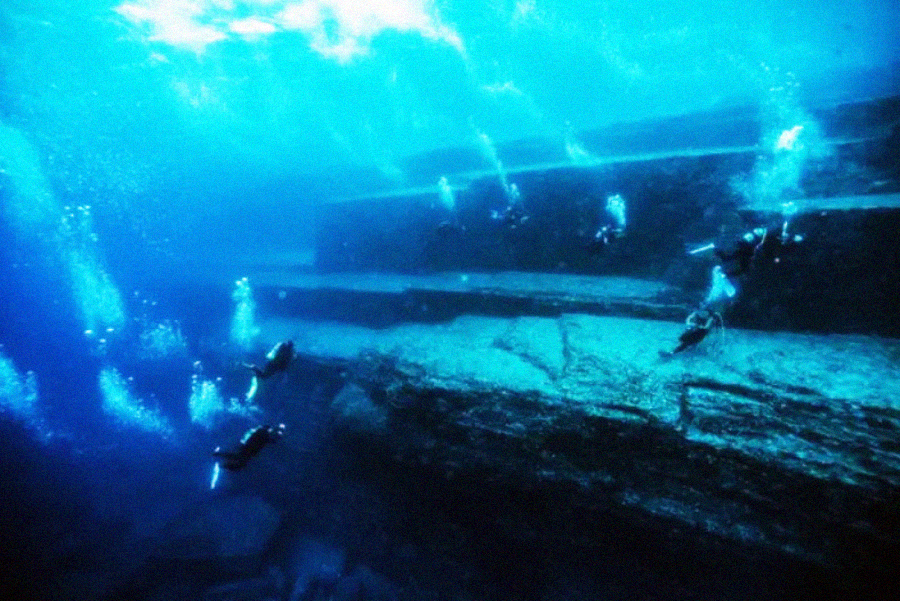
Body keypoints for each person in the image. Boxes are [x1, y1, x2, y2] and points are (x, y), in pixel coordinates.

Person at [213, 423, 286, 471]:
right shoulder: (263, 433)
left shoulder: (259, 432)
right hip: (250, 450)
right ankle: (221, 463)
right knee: (239, 461)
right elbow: (271, 441)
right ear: (267, 429)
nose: (270, 431)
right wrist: (279, 434)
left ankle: (219, 458)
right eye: (270, 430)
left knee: (236, 457)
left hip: (247, 448)